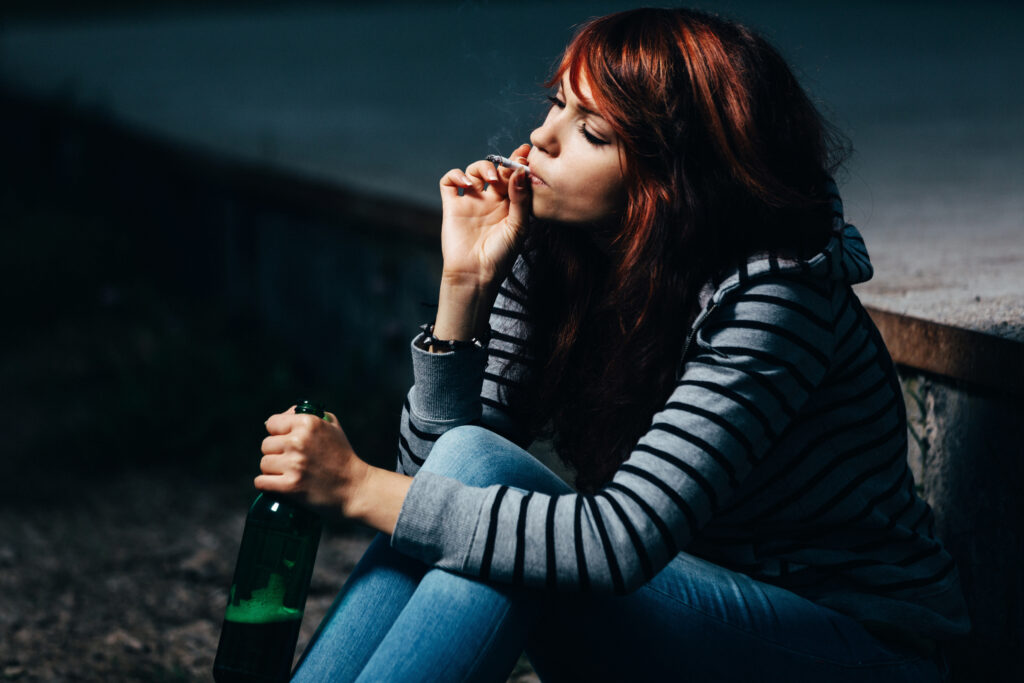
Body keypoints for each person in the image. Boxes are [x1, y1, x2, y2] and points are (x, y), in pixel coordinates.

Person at [255, 8, 969, 681]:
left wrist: (356, 487)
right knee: (474, 494)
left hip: (843, 645)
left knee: (486, 497)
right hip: (674, 606)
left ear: (675, 180)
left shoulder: (776, 297)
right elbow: (434, 482)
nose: (542, 138)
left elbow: (615, 542)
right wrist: (464, 284)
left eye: (592, 132)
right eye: (558, 103)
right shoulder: (561, 250)